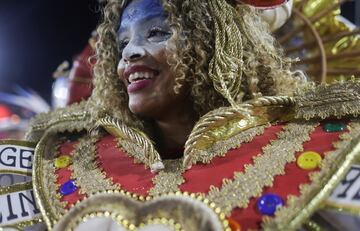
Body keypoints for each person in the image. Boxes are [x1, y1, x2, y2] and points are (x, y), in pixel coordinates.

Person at [2, 0, 360, 230]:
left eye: (156, 32)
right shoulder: (59, 160)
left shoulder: (323, 147)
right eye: (123, 43)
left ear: (219, 44)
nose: (131, 54)